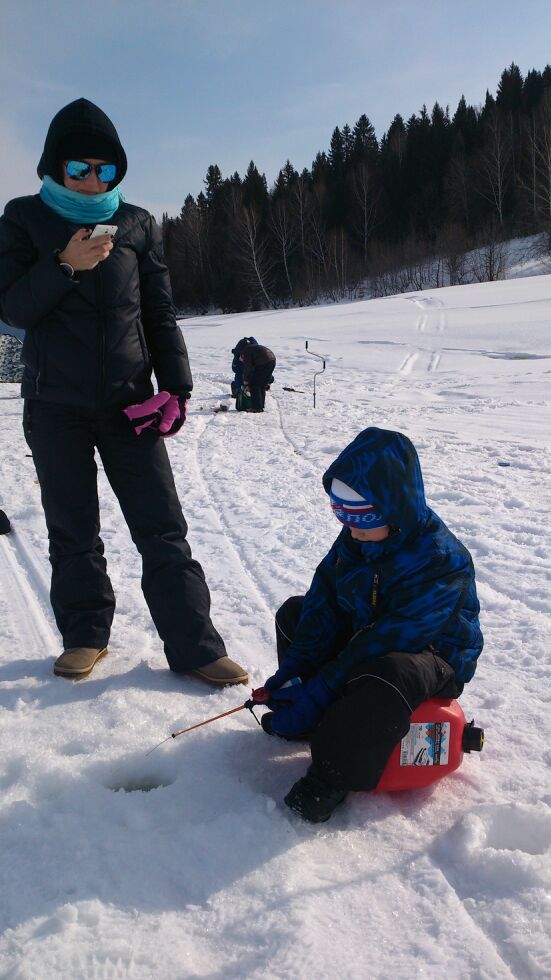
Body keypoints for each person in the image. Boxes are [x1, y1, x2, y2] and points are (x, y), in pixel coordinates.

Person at [0, 98, 247, 687]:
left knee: (162, 525)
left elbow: (159, 313)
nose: (91, 179)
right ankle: (85, 634)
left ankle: (194, 646)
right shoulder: (23, 219)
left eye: (104, 170)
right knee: (72, 526)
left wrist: (178, 387)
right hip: (54, 404)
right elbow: (11, 309)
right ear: (55, 166)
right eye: (79, 167)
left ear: (118, 172)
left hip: (129, 400)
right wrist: (64, 263)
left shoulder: (135, 223)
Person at [260, 426, 483, 823]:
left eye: (362, 517)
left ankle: (333, 775)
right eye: (342, 515)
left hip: (430, 657)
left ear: (395, 508)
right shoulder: (355, 540)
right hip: (370, 636)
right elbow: (323, 602)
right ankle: (316, 721)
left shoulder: (441, 560)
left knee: (386, 672)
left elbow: (390, 639)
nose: (352, 528)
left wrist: (322, 687)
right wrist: (296, 671)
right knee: (296, 614)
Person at [233, 338, 276, 413]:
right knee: (262, 385)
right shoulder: (253, 347)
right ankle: (260, 406)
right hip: (272, 360)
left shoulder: (247, 351)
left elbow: (248, 368)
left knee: (254, 385)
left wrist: (246, 380)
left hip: (263, 363)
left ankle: (256, 407)